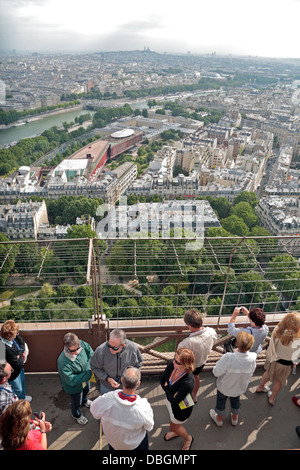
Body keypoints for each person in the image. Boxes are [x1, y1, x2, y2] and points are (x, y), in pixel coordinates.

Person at [90, 366, 154, 450]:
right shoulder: (143, 406)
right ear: (138, 383)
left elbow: (94, 411)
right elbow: (149, 426)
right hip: (134, 446)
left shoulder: (107, 399)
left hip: (114, 444)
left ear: (122, 380)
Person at [210, 331, 257, 427]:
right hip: (239, 388)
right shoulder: (252, 358)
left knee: (221, 402)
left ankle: (219, 419)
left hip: (224, 387)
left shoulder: (228, 357)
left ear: (236, 343)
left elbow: (216, 372)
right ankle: (234, 418)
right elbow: (251, 373)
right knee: (236, 400)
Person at [256, 312, 300, 405]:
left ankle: (260, 387)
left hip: (274, 359)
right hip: (286, 364)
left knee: (267, 374)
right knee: (279, 381)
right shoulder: (298, 339)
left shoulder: (277, 330)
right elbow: (297, 355)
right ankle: (272, 398)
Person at [177, 308, 217, 402]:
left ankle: (187, 404)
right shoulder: (211, 332)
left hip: (188, 366)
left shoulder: (186, 343)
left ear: (189, 326)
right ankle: (194, 396)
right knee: (195, 377)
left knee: (185, 382)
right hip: (201, 362)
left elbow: (179, 357)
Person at [160, 348, 195, 451]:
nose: (173, 363)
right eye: (174, 359)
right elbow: (162, 380)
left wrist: (167, 389)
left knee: (174, 426)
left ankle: (188, 438)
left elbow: (175, 401)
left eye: (177, 362)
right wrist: (171, 395)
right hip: (173, 401)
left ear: (186, 365)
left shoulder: (188, 382)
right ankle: (177, 430)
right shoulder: (172, 365)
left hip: (182, 408)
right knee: (174, 423)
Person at [90, 329, 143, 395]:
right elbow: (94, 367)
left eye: (114, 348)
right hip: (107, 386)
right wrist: (107, 378)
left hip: (126, 386)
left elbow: (139, 364)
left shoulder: (133, 348)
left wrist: (130, 378)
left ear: (123, 345)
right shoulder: (100, 350)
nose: (110, 349)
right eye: (108, 345)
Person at [57, 332, 94, 425]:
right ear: (66, 347)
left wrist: (90, 366)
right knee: (76, 401)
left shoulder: (81, 343)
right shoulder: (62, 362)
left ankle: (85, 401)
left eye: (78, 349)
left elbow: (91, 353)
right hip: (74, 388)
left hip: (85, 380)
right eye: (73, 351)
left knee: (86, 391)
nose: (76, 352)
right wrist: (89, 373)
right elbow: (71, 380)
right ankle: (76, 414)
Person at [0, 320, 31, 401]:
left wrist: (19, 353)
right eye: (15, 333)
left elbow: (21, 340)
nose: (17, 334)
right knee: (18, 389)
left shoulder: (11, 339)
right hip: (12, 373)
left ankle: (22, 398)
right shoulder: (5, 348)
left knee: (22, 383)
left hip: (18, 369)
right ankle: (18, 403)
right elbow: (18, 363)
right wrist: (21, 352)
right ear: (10, 336)